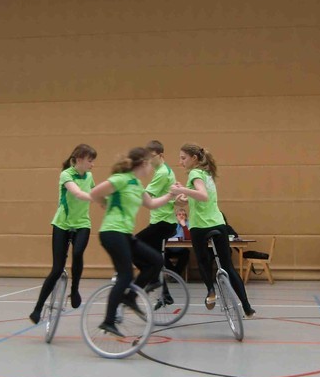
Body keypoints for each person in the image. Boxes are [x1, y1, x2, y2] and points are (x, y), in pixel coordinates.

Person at [89, 147, 179, 336]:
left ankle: (130, 298)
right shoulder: (121, 179)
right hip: (112, 232)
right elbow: (95, 193)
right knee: (125, 275)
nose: (151, 168)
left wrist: (171, 195)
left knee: (156, 261)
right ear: (144, 163)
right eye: (149, 164)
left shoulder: (137, 184)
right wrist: (105, 203)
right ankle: (108, 320)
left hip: (125, 234)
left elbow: (152, 204)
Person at [171, 143, 255, 317]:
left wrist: (182, 189)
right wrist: (181, 197)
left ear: (194, 158)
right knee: (228, 266)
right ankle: (247, 307)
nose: (180, 162)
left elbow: (203, 195)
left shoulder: (194, 174)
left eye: (183, 158)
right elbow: (195, 199)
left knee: (203, 262)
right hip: (218, 223)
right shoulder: (206, 174)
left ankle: (210, 291)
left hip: (200, 226)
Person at [28, 144, 98, 324]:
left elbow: (95, 191)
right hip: (62, 224)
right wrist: (95, 197)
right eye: (90, 161)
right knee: (57, 269)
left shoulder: (89, 176)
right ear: (79, 159)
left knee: (78, 253)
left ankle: (74, 290)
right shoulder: (66, 175)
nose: (92, 165)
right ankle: (37, 308)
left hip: (82, 224)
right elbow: (77, 193)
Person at [164, 206, 191, 278]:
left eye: (183, 215)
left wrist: (184, 226)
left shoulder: (187, 224)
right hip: (169, 249)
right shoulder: (171, 223)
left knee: (186, 253)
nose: (181, 216)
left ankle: (174, 275)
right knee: (161, 254)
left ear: (186, 217)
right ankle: (175, 274)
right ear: (176, 216)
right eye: (179, 214)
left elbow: (188, 238)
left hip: (181, 250)